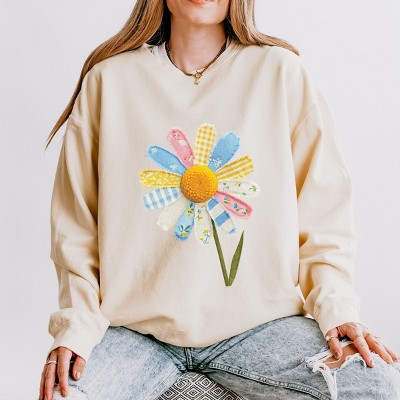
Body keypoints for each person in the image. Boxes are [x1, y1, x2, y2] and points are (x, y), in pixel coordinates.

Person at [39, 1, 400, 399]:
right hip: (134, 331)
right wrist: (75, 327)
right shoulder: (108, 81)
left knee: (375, 384)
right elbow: (75, 229)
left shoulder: (280, 72)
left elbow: (324, 213)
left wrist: (337, 308)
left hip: (262, 328)